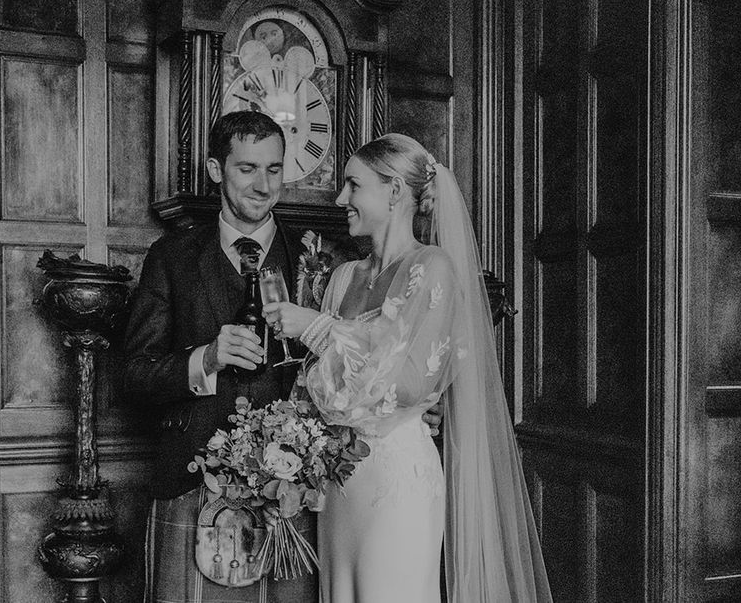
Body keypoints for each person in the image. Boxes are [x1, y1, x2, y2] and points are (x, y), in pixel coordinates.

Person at [263, 134, 554, 602]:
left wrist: (317, 328)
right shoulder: (343, 277)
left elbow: (404, 383)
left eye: (353, 186)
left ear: (394, 191)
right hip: (339, 486)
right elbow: (320, 386)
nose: (341, 200)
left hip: (396, 481)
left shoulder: (432, 266)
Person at [122, 111, 317, 603]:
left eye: (274, 169)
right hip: (192, 482)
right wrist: (204, 359)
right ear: (215, 169)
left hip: (292, 499)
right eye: (247, 168)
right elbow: (135, 375)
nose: (263, 184)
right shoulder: (171, 257)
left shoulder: (315, 256)